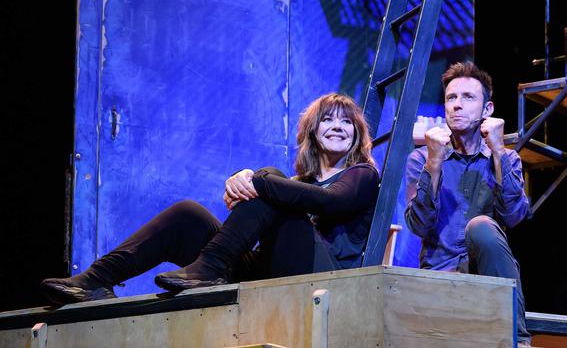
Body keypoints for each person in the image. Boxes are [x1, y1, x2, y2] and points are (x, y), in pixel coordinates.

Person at [42, 93, 379, 305]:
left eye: (347, 122)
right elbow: (277, 192)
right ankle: (97, 279)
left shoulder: (362, 174)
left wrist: (257, 180)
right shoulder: (295, 182)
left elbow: (331, 202)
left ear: (357, 134)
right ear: (313, 133)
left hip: (324, 281)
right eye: (329, 120)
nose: (338, 127)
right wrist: (249, 178)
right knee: (187, 214)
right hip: (267, 273)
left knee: (269, 179)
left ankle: (210, 268)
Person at [404, 62, 532, 346]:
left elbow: (513, 216)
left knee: (481, 226)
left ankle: (518, 341)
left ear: (488, 110)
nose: (456, 106)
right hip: (441, 274)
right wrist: (434, 162)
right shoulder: (421, 159)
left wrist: (498, 150)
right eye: (451, 98)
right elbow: (419, 224)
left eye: (467, 98)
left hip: (487, 276)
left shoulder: (506, 158)